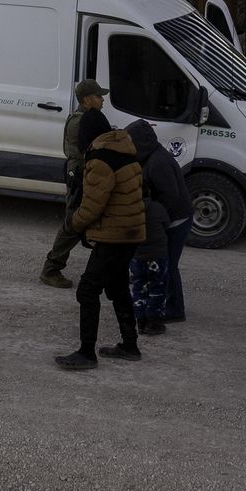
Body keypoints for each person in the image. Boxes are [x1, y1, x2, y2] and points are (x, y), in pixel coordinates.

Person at [54, 127, 146, 371]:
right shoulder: (125, 151)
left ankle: (87, 352)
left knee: (87, 291)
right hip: (131, 232)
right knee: (117, 286)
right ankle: (130, 344)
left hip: (114, 235)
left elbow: (93, 205)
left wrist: (73, 224)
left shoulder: (100, 161)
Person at [40, 80, 112, 289]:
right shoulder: (81, 121)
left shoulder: (86, 119)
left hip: (83, 175)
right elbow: (88, 149)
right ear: (87, 100)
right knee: (73, 222)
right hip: (80, 176)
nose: (102, 100)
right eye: (99, 96)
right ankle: (51, 269)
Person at [126, 119, 192, 324]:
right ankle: (166, 305)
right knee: (166, 265)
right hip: (169, 218)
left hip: (175, 220)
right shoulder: (151, 157)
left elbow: (169, 196)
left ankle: (174, 310)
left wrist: (156, 220)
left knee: (168, 266)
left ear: (140, 142)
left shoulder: (158, 162)